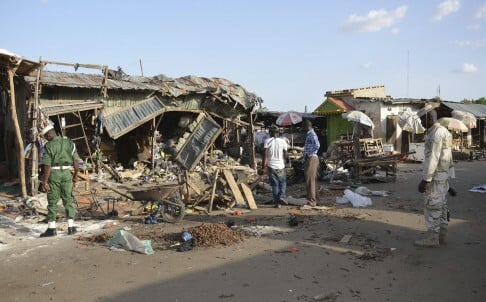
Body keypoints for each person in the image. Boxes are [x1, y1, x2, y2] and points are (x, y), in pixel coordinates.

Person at [416, 108, 455, 247]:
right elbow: (448, 157)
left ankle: (432, 238)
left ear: (428, 118)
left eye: (422, 120)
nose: (421, 123)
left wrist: (425, 180)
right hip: (441, 176)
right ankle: (442, 236)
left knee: (432, 206)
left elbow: (433, 158)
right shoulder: (443, 131)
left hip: (435, 177)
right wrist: (449, 175)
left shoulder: (436, 134)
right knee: (442, 205)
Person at [39, 124, 80, 237]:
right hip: (67, 174)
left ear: (49, 134)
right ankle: (71, 227)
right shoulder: (69, 143)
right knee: (68, 200)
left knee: (52, 201)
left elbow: (47, 165)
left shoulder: (48, 146)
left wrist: (45, 181)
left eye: (45, 137)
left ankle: (52, 229)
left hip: (54, 175)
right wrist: (75, 176)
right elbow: (76, 164)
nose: (46, 139)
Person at [261, 125, 288, 208]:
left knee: (275, 184)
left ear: (270, 133)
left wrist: (263, 167)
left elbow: (264, 155)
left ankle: (277, 203)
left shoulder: (267, 141)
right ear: (278, 133)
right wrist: (286, 162)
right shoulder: (283, 141)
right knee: (282, 183)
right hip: (280, 166)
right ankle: (281, 196)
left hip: (271, 167)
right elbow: (286, 154)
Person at [303, 120, 320, 206]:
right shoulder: (309, 134)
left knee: (310, 180)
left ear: (306, 126)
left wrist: (309, 154)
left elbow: (317, 145)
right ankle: (315, 198)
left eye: (303, 126)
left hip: (312, 158)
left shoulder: (312, 134)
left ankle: (312, 200)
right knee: (312, 179)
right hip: (311, 158)